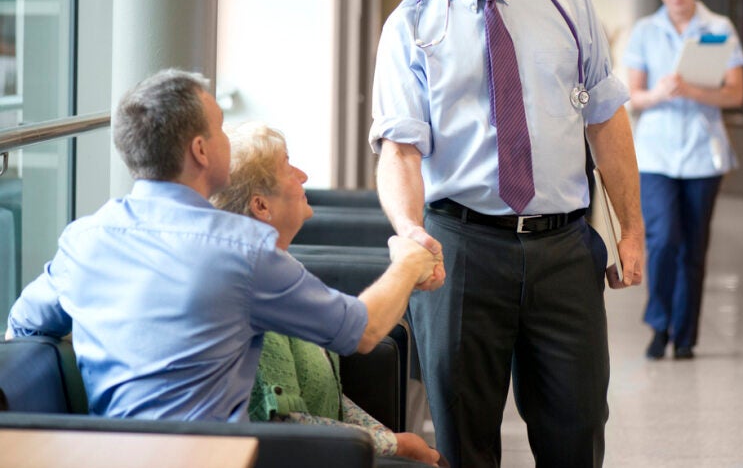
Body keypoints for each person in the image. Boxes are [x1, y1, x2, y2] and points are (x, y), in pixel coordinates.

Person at [370, 0, 644, 468]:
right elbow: (400, 148)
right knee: (465, 439)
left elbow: (604, 117)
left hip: (563, 249)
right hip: (460, 250)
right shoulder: (410, 24)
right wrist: (410, 231)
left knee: (577, 429)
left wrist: (632, 228)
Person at [6, 69, 442, 421]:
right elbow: (362, 332)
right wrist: (406, 262)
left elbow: (23, 329)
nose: (226, 139)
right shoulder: (243, 250)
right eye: (218, 128)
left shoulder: (85, 239)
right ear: (200, 150)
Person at [210, 121, 442, 466]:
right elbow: (283, 422)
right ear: (261, 206)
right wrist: (395, 445)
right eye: (287, 166)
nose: (302, 175)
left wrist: (390, 439)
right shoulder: (257, 285)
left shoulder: (283, 266)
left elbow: (330, 396)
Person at [623, 0, 743, 360]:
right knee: (664, 240)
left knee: (694, 247)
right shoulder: (644, 31)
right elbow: (633, 96)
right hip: (656, 156)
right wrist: (659, 93)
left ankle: (687, 334)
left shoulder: (718, 29)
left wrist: (693, 89)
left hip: (702, 155)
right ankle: (659, 325)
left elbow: (735, 94)